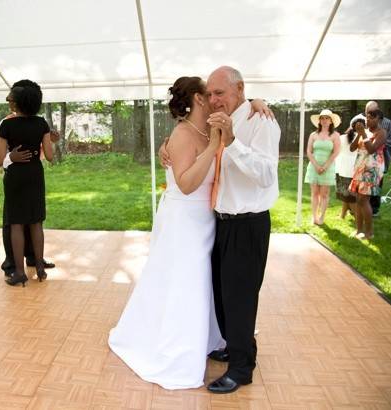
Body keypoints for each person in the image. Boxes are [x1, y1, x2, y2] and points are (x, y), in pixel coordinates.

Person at [108, 76, 225, 390]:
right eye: (208, 93)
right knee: (185, 281)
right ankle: (178, 349)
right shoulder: (184, 134)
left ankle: (204, 337)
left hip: (204, 219)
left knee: (197, 281)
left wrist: (256, 103)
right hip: (183, 220)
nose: (214, 98)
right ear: (198, 99)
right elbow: (186, 185)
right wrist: (213, 146)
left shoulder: (204, 129)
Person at [204, 66, 280, 394]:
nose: (212, 99)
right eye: (209, 94)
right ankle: (238, 347)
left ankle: (241, 369)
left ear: (240, 88)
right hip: (221, 223)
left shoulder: (261, 121)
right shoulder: (222, 119)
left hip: (248, 224)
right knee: (223, 294)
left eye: (219, 92)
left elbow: (265, 174)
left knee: (240, 298)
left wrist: (233, 142)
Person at [0, 80, 55, 286]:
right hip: (35, 175)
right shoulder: (42, 123)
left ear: (16, 103)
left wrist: (10, 153)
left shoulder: (6, 124)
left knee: (17, 224)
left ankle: (20, 273)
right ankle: (39, 268)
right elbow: (49, 155)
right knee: (36, 222)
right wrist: (49, 141)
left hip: (15, 178)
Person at [348, 109, 386, 240]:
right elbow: (352, 148)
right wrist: (359, 134)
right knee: (358, 199)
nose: (368, 120)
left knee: (363, 199)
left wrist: (363, 134)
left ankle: (369, 233)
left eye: (371, 118)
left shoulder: (381, 133)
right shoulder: (365, 132)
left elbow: (371, 149)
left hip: (372, 169)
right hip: (360, 167)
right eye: (367, 118)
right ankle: (359, 230)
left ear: (379, 120)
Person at [304, 109, 341, 225]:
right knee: (314, 193)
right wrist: (316, 165)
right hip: (314, 167)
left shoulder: (335, 135)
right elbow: (309, 152)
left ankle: (322, 217)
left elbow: (336, 152)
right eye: (322, 118)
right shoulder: (313, 135)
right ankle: (314, 216)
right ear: (319, 121)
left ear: (331, 121)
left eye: (327, 118)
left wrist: (325, 166)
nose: (324, 120)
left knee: (324, 194)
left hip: (328, 167)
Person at [364, 101, 391, 216]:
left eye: (372, 111)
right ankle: (363, 206)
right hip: (363, 160)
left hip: (380, 158)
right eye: (368, 112)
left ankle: (374, 209)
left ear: (378, 111)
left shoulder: (388, 124)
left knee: (377, 184)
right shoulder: (363, 121)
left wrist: (379, 143)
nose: (369, 114)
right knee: (363, 185)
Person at [335, 114, 366, 219]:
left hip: (344, 169)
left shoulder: (343, 137)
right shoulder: (364, 137)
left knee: (348, 196)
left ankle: (358, 219)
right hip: (355, 169)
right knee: (348, 195)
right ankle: (343, 214)